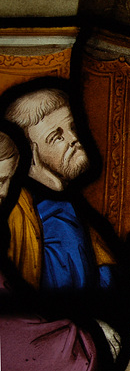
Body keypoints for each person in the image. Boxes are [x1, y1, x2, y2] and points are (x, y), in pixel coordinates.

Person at [0, 130, 120, 370]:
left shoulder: (69, 208)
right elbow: (16, 336)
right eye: (0, 180)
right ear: (34, 151)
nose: (4, 192)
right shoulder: (22, 214)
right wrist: (86, 338)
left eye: (8, 181)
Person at [2, 82, 117, 291]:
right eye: (56, 137)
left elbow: (104, 278)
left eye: (73, 128)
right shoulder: (17, 214)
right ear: (31, 154)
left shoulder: (74, 206)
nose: (74, 140)